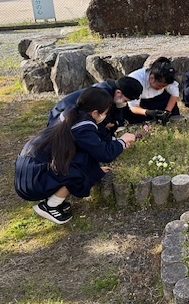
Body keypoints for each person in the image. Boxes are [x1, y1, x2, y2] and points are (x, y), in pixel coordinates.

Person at [14, 87, 137, 224]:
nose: (106, 116)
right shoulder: (82, 127)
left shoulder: (71, 114)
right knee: (80, 168)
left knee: (83, 161)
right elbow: (104, 153)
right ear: (95, 113)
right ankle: (50, 206)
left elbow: (87, 150)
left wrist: (94, 171)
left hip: (28, 171)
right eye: (105, 112)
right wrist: (121, 141)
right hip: (33, 181)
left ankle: (54, 199)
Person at [47, 76, 143, 136]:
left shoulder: (113, 93)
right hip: (59, 119)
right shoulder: (102, 96)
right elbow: (94, 120)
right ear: (118, 92)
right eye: (126, 101)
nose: (125, 103)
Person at [125, 57, 180, 124]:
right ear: (152, 78)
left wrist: (167, 111)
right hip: (141, 105)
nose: (161, 88)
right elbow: (133, 107)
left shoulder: (166, 77)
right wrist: (148, 112)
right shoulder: (135, 80)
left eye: (164, 86)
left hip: (160, 99)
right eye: (160, 86)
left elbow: (174, 95)